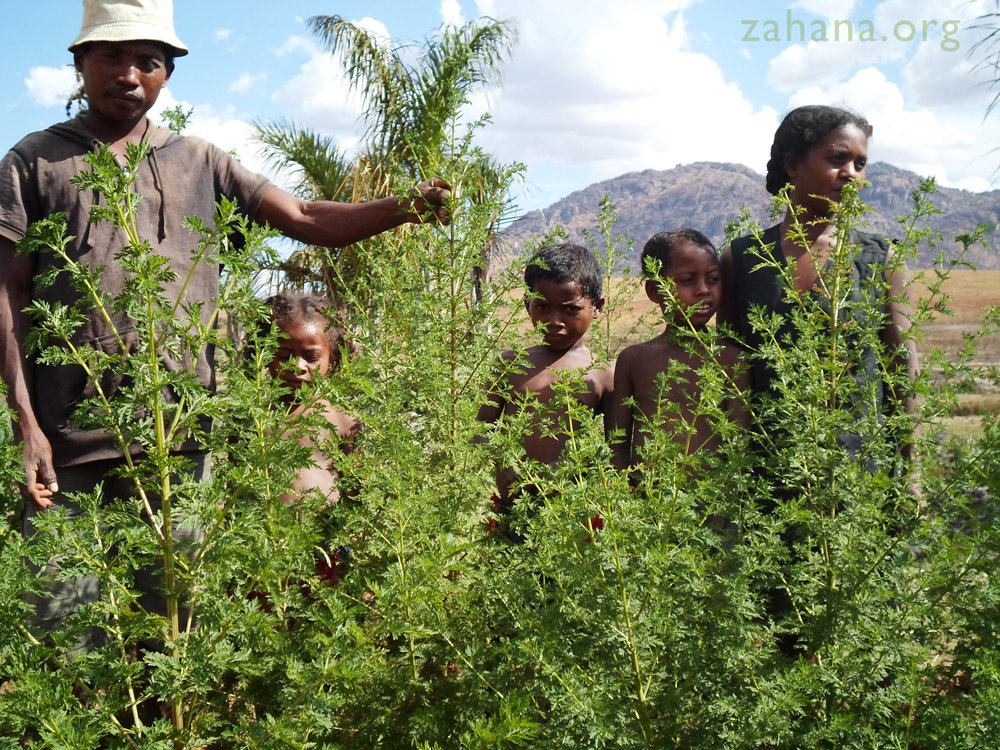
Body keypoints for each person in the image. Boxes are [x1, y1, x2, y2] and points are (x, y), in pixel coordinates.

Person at [0, 0, 448, 642]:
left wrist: (404, 205)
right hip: (72, 446)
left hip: (185, 442)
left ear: (167, 75)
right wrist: (27, 428)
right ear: (79, 63)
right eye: (112, 56)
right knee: (66, 639)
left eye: (148, 61)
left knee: (176, 640)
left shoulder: (200, 161)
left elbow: (305, 219)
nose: (129, 73)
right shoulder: (34, 162)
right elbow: (7, 298)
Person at [718, 104, 918, 460]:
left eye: (860, 163)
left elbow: (903, 368)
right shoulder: (743, 257)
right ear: (793, 165)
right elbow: (731, 367)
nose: (852, 174)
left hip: (861, 479)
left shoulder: (880, 258)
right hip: (770, 478)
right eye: (838, 158)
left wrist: (912, 471)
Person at [476, 242, 613, 514]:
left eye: (571, 309)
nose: (555, 320)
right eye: (542, 307)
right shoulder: (510, 364)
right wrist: (503, 461)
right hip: (512, 509)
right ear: (527, 305)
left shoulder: (602, 374)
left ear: (597, 306)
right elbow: (481, 430)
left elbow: (614, 449)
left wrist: (572, 469)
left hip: (573, 511)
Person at [606, 229, 746, 471]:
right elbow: (616, 444)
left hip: (714, 504)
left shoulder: (730, 359)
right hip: (649, 503)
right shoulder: (634, 360)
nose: (703, 289)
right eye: (688, 280)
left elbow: (739, 447)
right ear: (654, 290)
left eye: (712, 279)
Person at [264, 293, 359, 506]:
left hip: (324, 538)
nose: (297, 366)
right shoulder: (253, 417)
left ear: (333, 356)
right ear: (264, 353)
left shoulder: (344, 421)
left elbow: (357, 496)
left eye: (312, 357)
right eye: (285, 355)